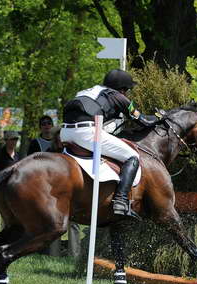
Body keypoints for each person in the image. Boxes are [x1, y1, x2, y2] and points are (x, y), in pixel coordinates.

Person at [61, 68, 158, 219]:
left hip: (65, 132)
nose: (126, 94)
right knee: (132, 156)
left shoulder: (87, 91)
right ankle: (120, 201)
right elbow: (143, 121)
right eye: (127, 90)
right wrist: (159, 116)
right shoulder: (117, 96)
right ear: (122, 88)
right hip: (86, 133)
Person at [0, 130, 20, 234]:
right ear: (6, 140)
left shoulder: (18, 156)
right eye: (12, 139)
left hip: (12, 190)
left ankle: (5, 237)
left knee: (8, 216)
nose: (14, 142)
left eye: (16, 139)